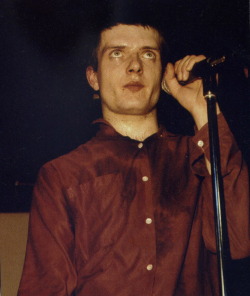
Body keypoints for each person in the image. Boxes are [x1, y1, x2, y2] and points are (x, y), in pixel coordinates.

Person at [18, 22, 250, 296]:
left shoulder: (199, 154)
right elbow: (44, 287)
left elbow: (238, 239)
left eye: (148, 54)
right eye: (117, 53)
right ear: (93, 77)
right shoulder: (63, 175)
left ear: (164, 73)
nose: (134, 66)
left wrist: (201, 110)